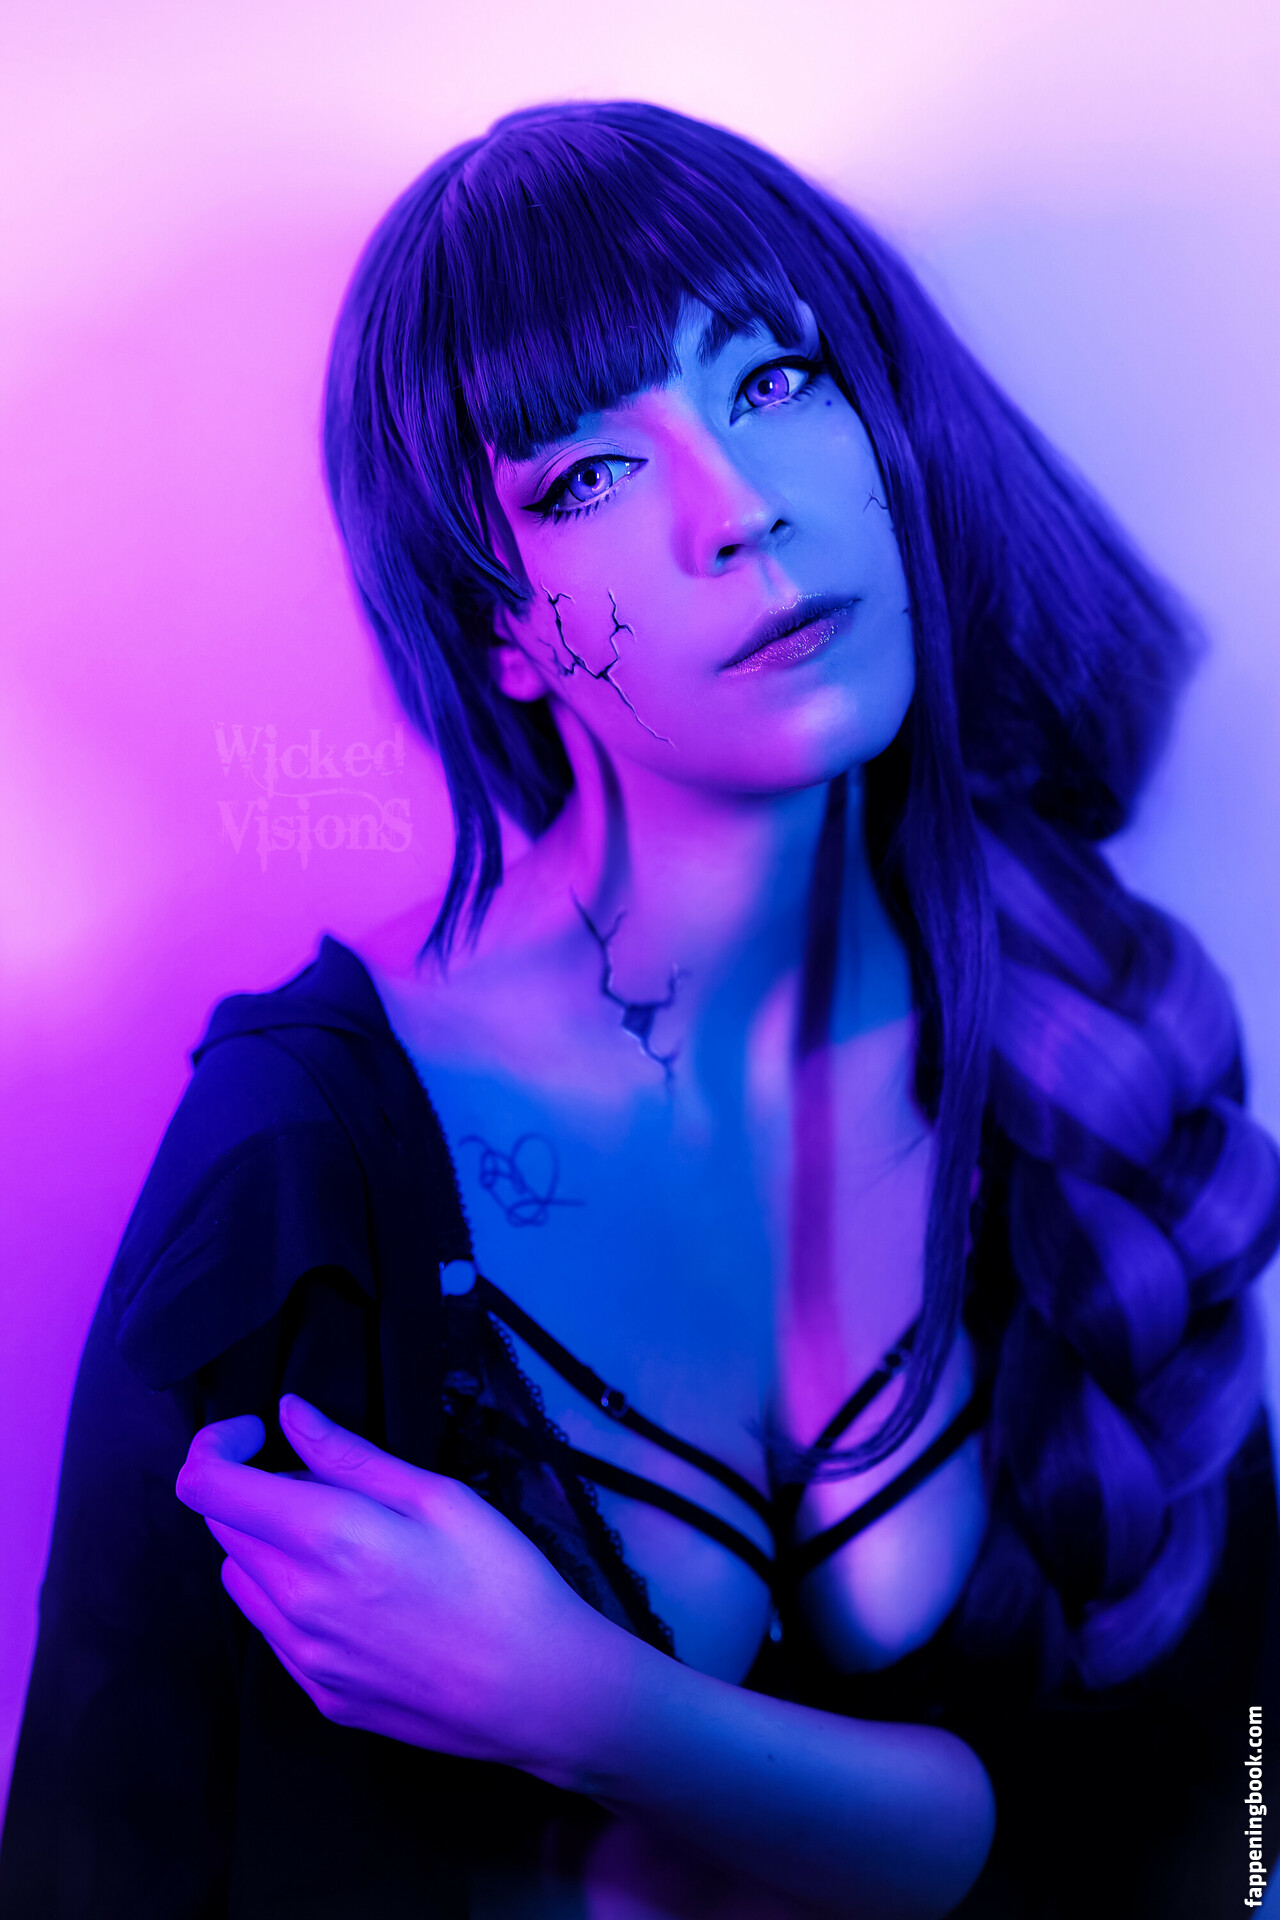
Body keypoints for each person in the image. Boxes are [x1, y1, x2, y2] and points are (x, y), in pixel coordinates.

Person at [2, 100, 1277, 1920]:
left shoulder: (1077, 1034)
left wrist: (587, 1705)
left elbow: (1235, 1828)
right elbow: (97, 1858)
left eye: (774, 380)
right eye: (586, 477)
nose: (735, 511)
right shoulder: (308, 1156)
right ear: (500, 630)